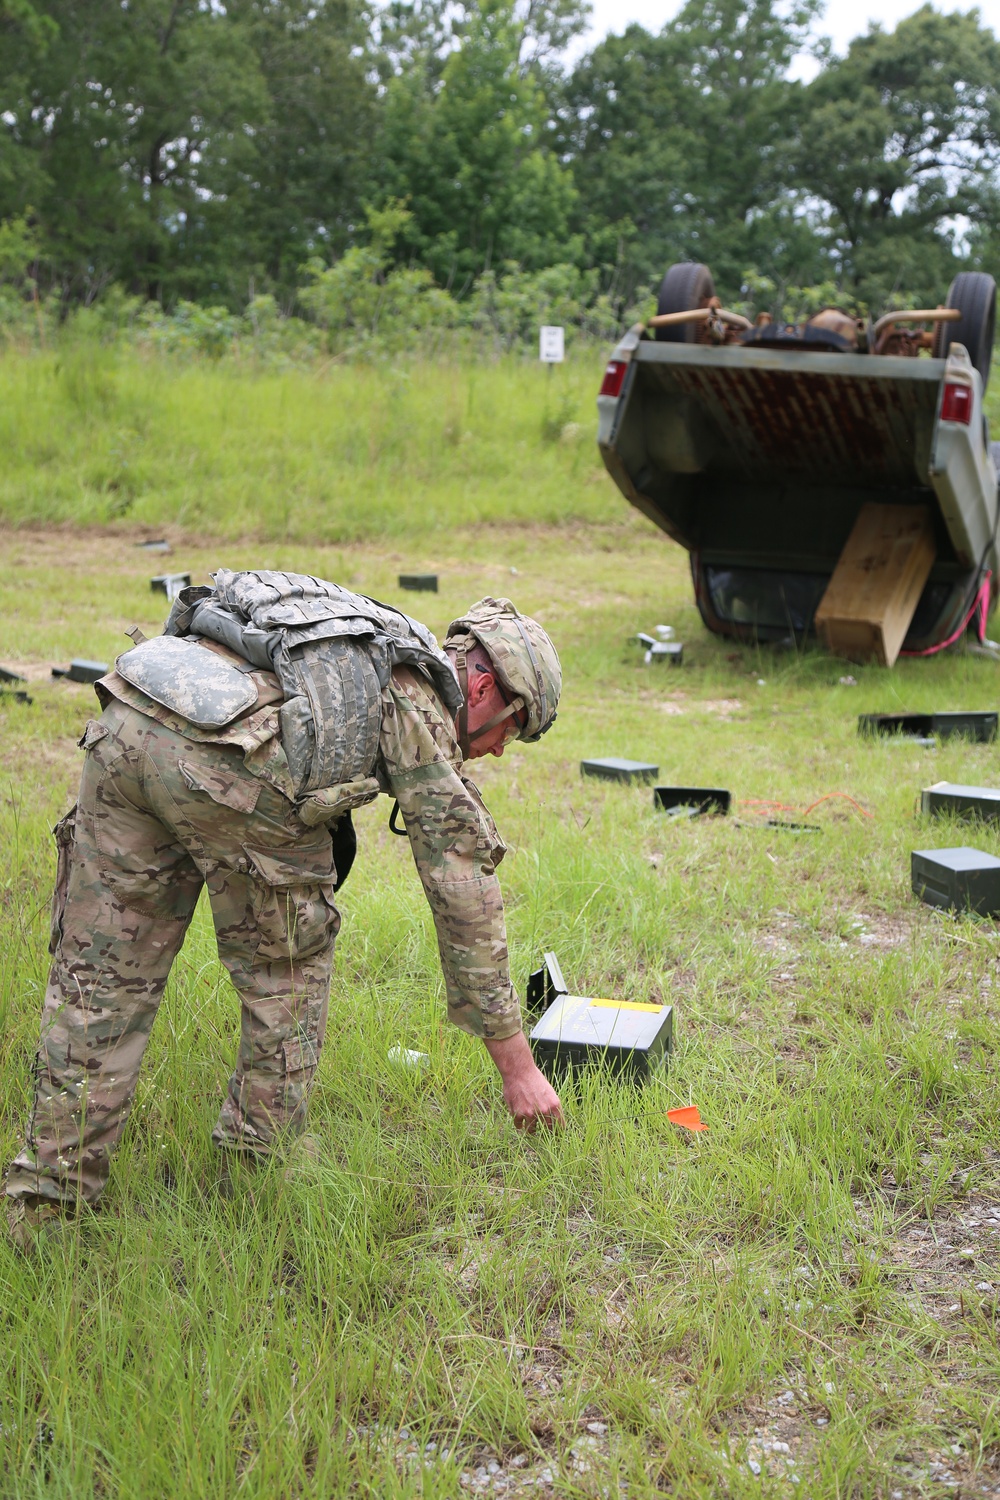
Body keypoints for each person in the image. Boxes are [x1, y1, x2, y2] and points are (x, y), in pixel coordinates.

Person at [5, 572, 564, 1248]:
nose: (500, 749)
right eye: (512, 730)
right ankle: (254, 1175)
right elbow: (461, 886)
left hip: (130, 721)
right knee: (287, 974)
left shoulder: (347, 633)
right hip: (225, 764)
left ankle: (44, 1204)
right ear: (483, 691)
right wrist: (520, 1070)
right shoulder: (416, 697)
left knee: (101, 979)